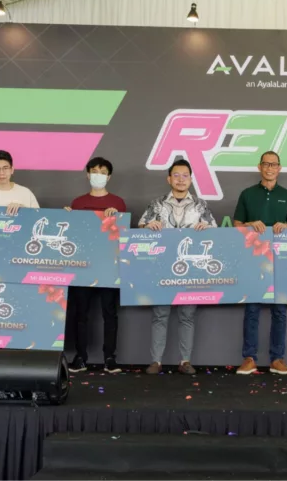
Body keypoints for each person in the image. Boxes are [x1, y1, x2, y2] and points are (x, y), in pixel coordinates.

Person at [138, 159, 217, 375]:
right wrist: (148, 226)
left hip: (191, 269)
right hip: (162, 266)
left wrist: (207, 228)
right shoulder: (157, 204)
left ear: (190, 179)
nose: (181, 179)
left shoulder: (201, 205)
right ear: (169, 179)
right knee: (160, 315)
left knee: (187, 315)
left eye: (185, 175)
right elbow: (141, 226)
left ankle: (185, 361)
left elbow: (215, 230)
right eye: (176, 175)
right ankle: (156, 361)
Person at [233, 151, 287, 376]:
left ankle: (277, 359)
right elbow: (236, 225)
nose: (270, 168)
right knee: (252, 309)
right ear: (259, 167)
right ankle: (249, 358)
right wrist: (250, 224)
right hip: (253, 259)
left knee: (279, 311)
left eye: (274, 164)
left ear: (279, 168)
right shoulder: (247, 194)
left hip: (281, 260)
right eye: (266, 164)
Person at [66, 157, 127, 374]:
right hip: (82, 264)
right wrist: (65, 217)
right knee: (80, 313)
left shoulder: (118, 203)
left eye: (102, 172)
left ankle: (110, 357)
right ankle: (80, 357)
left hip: (109, 265)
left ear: (108, 177)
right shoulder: (77, 202)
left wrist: (115, 216)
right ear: (87, 174)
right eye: (94, 171)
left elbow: (121, 233)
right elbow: (72, 234)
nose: (98, 175)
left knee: (109, 313)